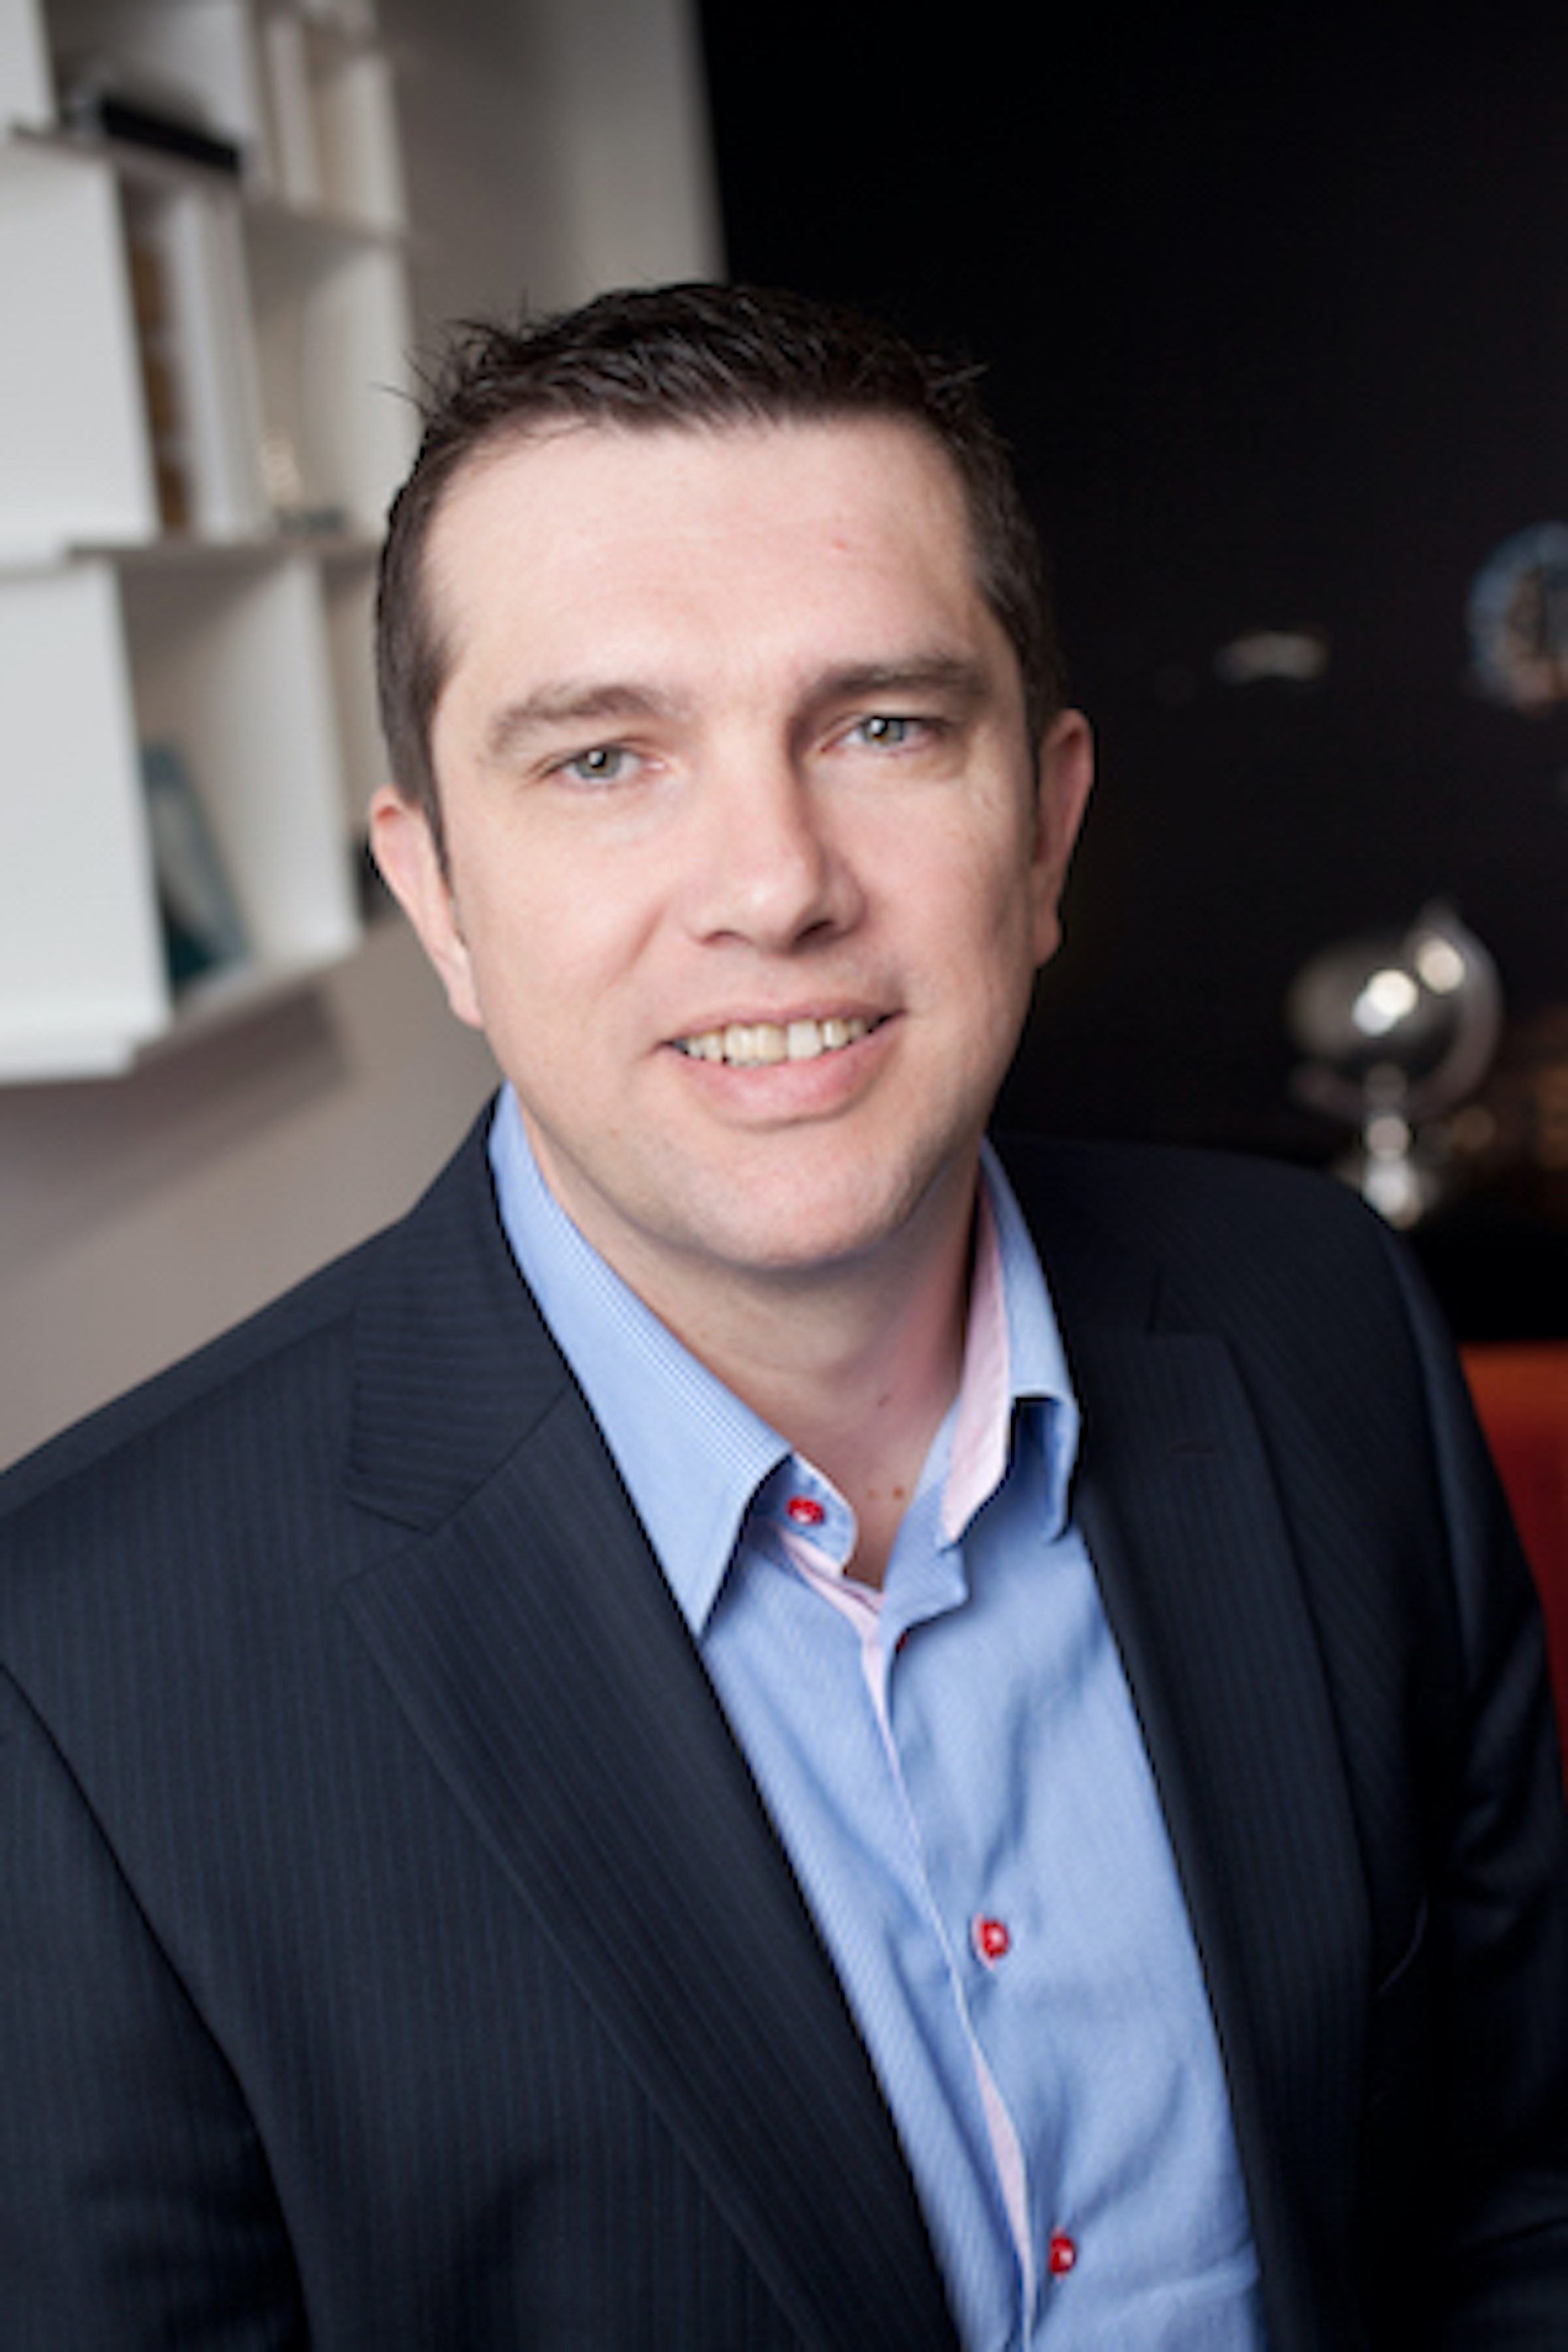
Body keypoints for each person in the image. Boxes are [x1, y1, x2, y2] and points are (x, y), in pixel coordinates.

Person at [1, 282, 1565, 2351]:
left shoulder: (1322, 1322)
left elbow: (1510, 2199)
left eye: (882, 727)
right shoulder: (72, 1672)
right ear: (440, 895)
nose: (773, 884)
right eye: (603, 757)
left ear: (1046, 828)